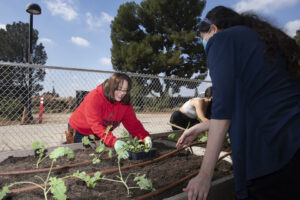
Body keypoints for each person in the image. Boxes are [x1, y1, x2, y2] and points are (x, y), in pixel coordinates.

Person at [177, 6, 300, 200]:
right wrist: (204, 126)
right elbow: (252, 103)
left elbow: (223, 107)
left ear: (213, 29)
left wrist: (205, 175)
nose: (206, 45)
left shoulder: (221, 40)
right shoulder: (263, 42)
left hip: (272, 153)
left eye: (203, 39)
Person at [68, 73, 152, 159]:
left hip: (98, 134)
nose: (122, 93)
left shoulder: (124, 103)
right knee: (78, 158)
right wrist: (114, 142)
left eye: (125, 90)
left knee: (98, 156)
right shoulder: (95, 97)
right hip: (78, 130)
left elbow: (133, 124)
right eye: (119, 89)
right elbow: (96, 125)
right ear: (111, 87)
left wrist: (144, 136)